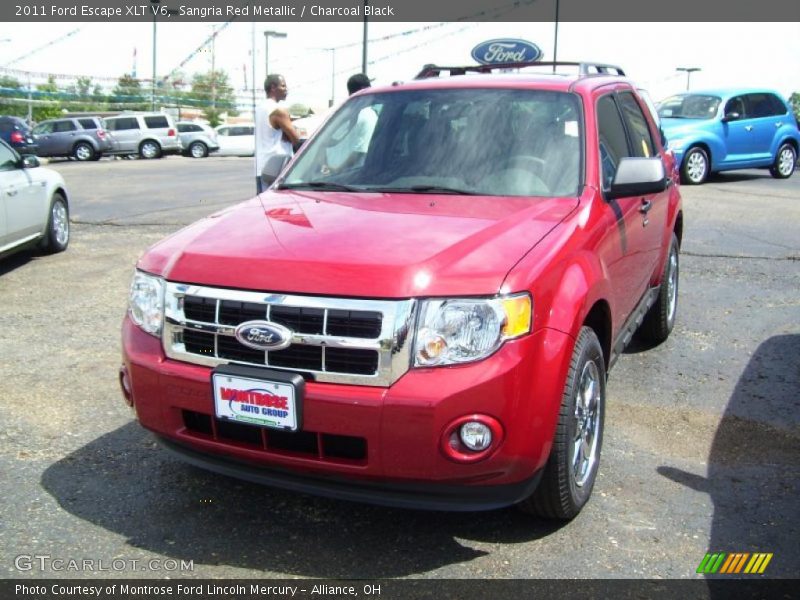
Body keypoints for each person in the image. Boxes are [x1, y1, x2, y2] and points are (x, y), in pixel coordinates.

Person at [254, 74, 301, 193]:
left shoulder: (259, 108)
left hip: (261, 168)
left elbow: (273, 131)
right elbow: (296, 139)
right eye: (283, 86)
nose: (286, 89)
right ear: (273, 87)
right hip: (278, 168)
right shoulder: (279, 111)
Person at [324, 73, 378, 174]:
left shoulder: (336, 112)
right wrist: (338, 170)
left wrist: (329, 169)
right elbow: (359, 154)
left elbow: (322, 145)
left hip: (327, 177)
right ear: (364, 89)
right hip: (352, 179)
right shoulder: (368, 114)